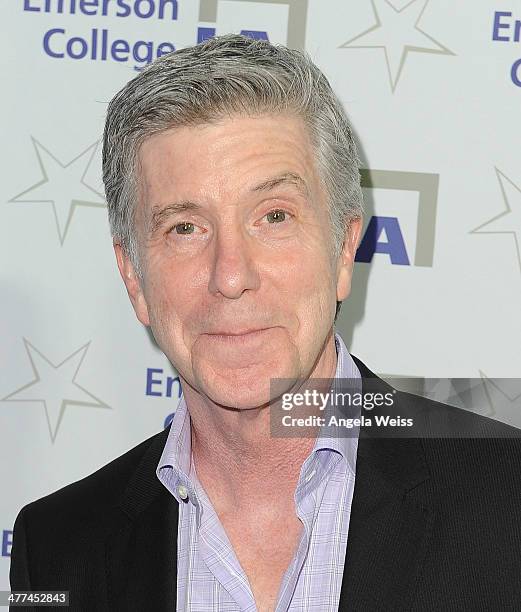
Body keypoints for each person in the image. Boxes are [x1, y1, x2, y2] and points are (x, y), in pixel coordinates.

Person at [10, 34, 521, 612]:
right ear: (135, 279)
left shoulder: (508, 501)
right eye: (185, 227)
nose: (231, 275)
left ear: (343, 250)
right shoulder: (56, 546)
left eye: (273, 217)